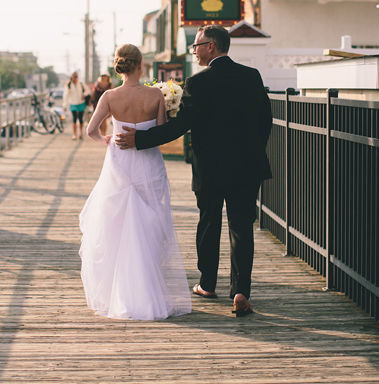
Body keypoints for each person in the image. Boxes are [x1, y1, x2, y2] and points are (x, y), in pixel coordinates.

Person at [114, 25, 272, 317]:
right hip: (248, 167)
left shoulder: (198, 83)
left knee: (209, 223)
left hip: (210, 167)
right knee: (241, 228)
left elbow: (179, 126)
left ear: (211, 46)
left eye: (196, 46)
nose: (194, 51)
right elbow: (266, 121)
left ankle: (208, 284)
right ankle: (240, 291)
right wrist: (253, 151)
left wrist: (141, 139)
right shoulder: (252, 77)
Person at [78, 44, 191, 320]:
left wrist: (106, 140)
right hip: (148, 162)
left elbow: (91, 129)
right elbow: (162, 133)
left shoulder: (109, 95)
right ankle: (147, 288)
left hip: (119, 164)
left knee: (117, 224)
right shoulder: (155, 95)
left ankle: (121, 292)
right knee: (150, 222)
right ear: (141, 66)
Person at [63, 72, 88, 140]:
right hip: (73, 103)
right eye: (74, 76)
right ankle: (74, 134)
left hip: (81, 103)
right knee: (74, 119)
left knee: (80, 118)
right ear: (72, 77)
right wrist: (65, 105)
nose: (76, 78)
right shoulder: (69, 85)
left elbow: (87, 91)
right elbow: (66, 96)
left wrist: (84, 94)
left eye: (77, 76)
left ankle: (81, 133)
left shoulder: (81, 83)